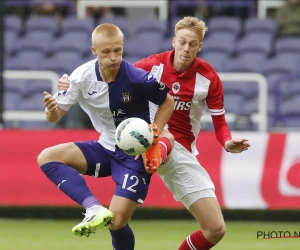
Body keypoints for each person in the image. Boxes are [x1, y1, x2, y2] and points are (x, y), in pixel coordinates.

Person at [58, 16, 250, 250]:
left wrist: (227, 142)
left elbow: (219, 121)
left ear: (200, 46)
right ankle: (154, 151)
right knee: (117, 221)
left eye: (192, 44)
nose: (186, 48)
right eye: (182, 42)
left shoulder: (208, 78)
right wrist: (71, 85)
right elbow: (112, 71)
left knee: (215, 229)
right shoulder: (150, 66)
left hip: (180, 151)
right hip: (141, 139)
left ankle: (157, 151)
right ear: (173, 41)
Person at [37, 23, 174, 250]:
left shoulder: (138, 78)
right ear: (94, 51)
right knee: (47, 157)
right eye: (106, 52)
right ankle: (92, 207)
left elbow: (167, 101)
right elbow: (54, 117)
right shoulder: (80, 77)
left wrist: (153, 135)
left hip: (135, 156)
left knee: (117, 222)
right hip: (105, 148)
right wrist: (51, 109)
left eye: (118, 51)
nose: (113, 57)